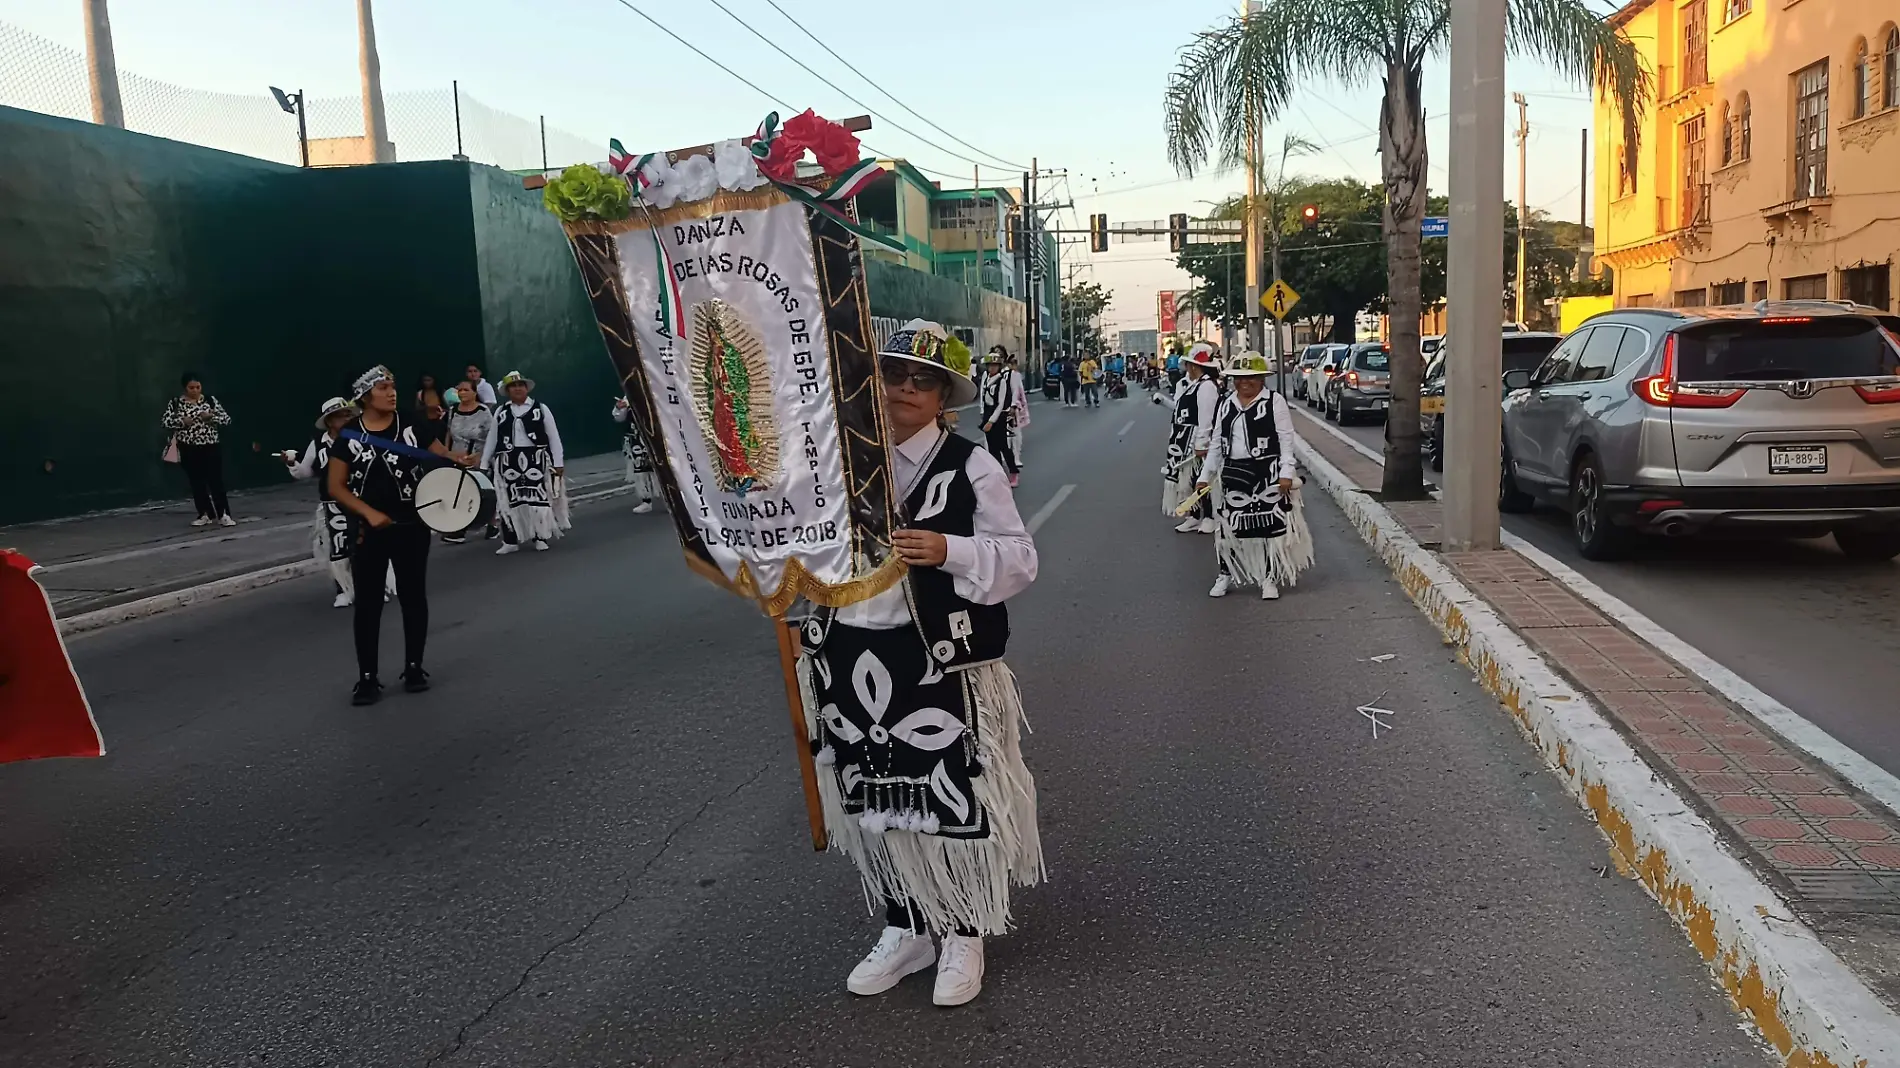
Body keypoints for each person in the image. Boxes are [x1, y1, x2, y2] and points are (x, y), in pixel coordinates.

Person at [804, 320, 1042, 1009]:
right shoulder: (834, 463)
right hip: (849, 652)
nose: (906, 387)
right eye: (895, 374)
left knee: (954, 791)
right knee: (876, 791)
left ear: (944, 397)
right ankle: (907, 925)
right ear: (872, 383)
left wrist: (951, 551)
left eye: (924, 379)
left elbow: (1020, 559)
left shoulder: (972, 465)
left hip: (941, 658)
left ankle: (964, 929)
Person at [327, 366, 464, 705]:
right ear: (365, 396)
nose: (391, 393)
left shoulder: (412, 425)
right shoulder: (348, 436)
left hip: (412, 526)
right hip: (369, 531)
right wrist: (369, 513)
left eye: (393, 386)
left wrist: (459, 459)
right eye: (383, 388)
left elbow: (439, 455)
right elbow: (335, 486)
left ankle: (414, 667)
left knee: (413, 595)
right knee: (369, 604)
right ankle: (368, 678)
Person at [1197, 352, 1313, 600]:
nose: (1245, 382)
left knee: (1268, 529)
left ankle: (1268, 578)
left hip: (1267, 473)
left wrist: (1286, 472)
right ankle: (1225, 574)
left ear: (1262, 379)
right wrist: (1205, 476)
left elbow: (1285, 439)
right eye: (1239, 378)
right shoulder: (1227, 404)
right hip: (1233, 474)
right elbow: (1217, 443)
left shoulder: (1274, 402)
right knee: (1228, 528)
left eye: (1251, 377)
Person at [284, 397, 395, 607]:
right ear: (329, 421)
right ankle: (344, 590)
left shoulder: (362, 438)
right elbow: (305, 472)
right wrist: (292, 463)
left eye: (348, 415)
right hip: (333, 505)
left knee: (368, 545)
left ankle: (375, 587)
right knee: (339, 548)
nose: (346, 419)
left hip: (363, 501)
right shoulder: (318, 444)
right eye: (341, 416)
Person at [480, 370, 569, 554]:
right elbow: (492, 438)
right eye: (513, 387)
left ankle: (540, 536)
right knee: (507, 500)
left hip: (535, 461)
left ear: (526, 388)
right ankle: (511, 540)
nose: (518, 389)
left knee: (537, 499)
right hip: (508, 462)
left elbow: (553, 437)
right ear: (508, 391)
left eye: (520, 385)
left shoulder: (540, 409)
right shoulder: (501, 411)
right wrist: (483, 463)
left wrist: (558, 462)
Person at [162, 372, 236, 528]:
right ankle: (205, 513)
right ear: (185, 388)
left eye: (198, 387)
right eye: (191, 388)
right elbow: (166, 422)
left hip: (210, 445)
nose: (195, 390)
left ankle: (224, 514)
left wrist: (211, 417)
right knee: (197, 482)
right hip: (188, 447)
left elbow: (226, 419)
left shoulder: (210, 401)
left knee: (216, 481)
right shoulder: (176, 403)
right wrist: (182, 421)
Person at [1162, 343, 1221, 533]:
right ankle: (1194, 515)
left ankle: (1210, 516)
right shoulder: (1191, 385)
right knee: (1188, 479)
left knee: (1203, 479)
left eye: (1188, 365)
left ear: (1194, 366)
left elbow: (1206, 418)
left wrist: (1202, 442)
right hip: (1185, 441)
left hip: (1198, 441)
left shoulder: (1206, 387)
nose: (1186, 368)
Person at [442, 382, 497, 544]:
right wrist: (447, 452)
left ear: (474, 393)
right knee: (461, 492)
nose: (462, 393)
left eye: (466, 390)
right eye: (459, 390)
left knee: (484, 493)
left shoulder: (483, 412)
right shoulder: (453, 411)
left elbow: (492, 436)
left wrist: (481, 455)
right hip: (458, 457)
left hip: (478, 457)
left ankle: (492, 524)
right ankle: (460, 529)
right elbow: (449, 433)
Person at [979, 348, 1020, 487]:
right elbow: (982, 394)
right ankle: (998, 474)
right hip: (988, 412)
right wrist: (982, 411)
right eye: (990, 365)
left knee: (1003, 446)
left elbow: (1000, 403)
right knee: (991, 448)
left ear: (999, 366)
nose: (992, 368)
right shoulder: (986, 377)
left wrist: (991, 421)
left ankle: (1013, 472)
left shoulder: (1001, 380)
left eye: (995, 365)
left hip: (999, 415)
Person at [612, 396, 659, 514]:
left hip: (655, 436)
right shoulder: (629, 394)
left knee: (661, 469)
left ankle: (672, 499)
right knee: (640, 471)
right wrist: (619, 407)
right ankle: (646, 501)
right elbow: (619, 417)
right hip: (637, 439)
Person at [1005, 351, 1030, 472]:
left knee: (1015, 434)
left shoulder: (1015, 375)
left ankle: (1016, 457)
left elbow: (1017, 391)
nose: (1013, 365)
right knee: (1003, 436)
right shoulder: (999, 375)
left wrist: (1014, 405)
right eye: (1011, 363)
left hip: (1012, 408)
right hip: (1000, 408)